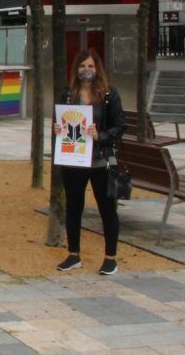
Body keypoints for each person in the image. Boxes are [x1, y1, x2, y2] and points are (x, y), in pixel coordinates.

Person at [54, 49, 126, 275]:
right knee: (74, 208)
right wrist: (57, 129)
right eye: (82, 66)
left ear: (98, 69)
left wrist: (101, 135)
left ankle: (110, 258)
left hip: (100, 161)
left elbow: (120, 126)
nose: (87, 70)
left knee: (107, 209)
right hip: (74, 160)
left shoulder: (108, 95)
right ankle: (73, 254)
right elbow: (61, 122)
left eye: (91, 66)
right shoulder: (68, 95)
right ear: (76, 69)